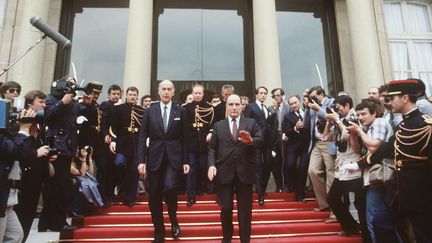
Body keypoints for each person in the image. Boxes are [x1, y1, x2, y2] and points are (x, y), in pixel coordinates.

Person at [360, 79, 432, 242]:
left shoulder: (425, 126)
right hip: (398, 191)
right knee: (380, 223)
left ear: (405, 98)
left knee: (423, 234)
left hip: (420, 192)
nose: (388, 103)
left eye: (392, 99)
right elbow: (386, 148)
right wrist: (360, 164)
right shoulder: (403, 125)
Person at [135, 80, 190, 242]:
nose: (166, 92)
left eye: (169, 89)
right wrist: (141, 160)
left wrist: (186, 161)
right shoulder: (150, 111)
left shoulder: (180, 111)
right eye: (163, 89)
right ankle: (159, 231)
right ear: (158, 91)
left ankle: (173, 219)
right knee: (154, 196)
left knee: (171, 188)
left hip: (174, 159)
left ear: (173, 92)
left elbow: (186, 138)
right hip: (154, 158)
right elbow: (142, 137)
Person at [208, 94, 263, 243]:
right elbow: (212, 148)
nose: (234, 107)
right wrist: (211, 165)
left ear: (242, 106)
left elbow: (260, 140)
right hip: (224, 173)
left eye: (237, 104)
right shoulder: (218, 126)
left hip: (245, 172)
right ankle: (227, 238)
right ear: (226, 106)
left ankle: (245, 240)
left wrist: (251, 141)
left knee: (245, 211)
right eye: (231, 104)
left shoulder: (251, 123)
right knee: (225, 208)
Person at [343, 98, 396, 243]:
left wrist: (359, 130)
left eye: (363, 114)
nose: (360, 117)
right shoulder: (368, 128)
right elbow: (356, 150)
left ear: (374, 114)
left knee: (373, 219)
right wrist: (353, 133)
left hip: (380, 176)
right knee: (377, 219)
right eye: (358, 114)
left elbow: (374, 147)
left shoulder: (379, 122)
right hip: (372, 176)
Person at [324, 95, 370, 242]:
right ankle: (351, 226)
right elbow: (326, 138)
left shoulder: (355, 118)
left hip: (354, 166)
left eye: (339, 107)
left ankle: (365, 233)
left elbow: (350, 140)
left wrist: (337, 120)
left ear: (347, 105)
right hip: (342, 166)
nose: (337, 110)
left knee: (359, 202)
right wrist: (329, 122)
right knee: (332, 198)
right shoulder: (340, 120)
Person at [14, 90, 56, 242]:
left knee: (28, 217)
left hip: (37, 178)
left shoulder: (41, 123)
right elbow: (18, 150)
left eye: (45, 102)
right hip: (22, 180)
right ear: (30, 104)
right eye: (41, 102)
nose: (44, 105)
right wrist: (35, 154)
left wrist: (48, 154)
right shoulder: (21, 121)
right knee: (18, 221)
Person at [38, 78, 79, 232]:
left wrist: (75, 147)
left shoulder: (74, 103)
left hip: (67, 149)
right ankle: (57, 222)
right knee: (58, 187)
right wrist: (62, 103)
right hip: (56, 149)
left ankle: (45, 223)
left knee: (59, 187)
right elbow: (46, 116)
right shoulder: (52, 100)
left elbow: (73, 127)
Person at [0, 107, 38, 242]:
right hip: (2, 195)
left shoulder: (6, 133)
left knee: (15, 235)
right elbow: (18, 152)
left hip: (8, 195)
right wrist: (23, 129)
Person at [109, 86, 144, 206]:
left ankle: (130, 198)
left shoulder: (141, 110)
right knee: (118, 163)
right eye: (130, 94)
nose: (132, 97)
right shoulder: (118, 109)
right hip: (122, 143)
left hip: (136, 143)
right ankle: (121, 185)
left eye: (135, 95)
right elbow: (113, 127)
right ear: (126, 96)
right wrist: (113, 140)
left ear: (137, 96)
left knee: (134, 171)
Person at [184, 84, 215, 206]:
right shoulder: (186, 108)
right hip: (191, 142)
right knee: (191, 169)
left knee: (203, 166)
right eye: (195, 93)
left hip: (204, 142)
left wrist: (211, 133)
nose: (197, 95)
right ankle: (190, 196)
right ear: (192, 93)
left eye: (199, 93)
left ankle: (202, 189)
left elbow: (213, 123)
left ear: (203, 94)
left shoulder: (209, 107)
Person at [306, 86, 335, 211]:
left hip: (329, 141)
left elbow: (333, 119)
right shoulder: (312, 105)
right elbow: (306, 124)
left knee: (331, 173)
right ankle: (324, 204)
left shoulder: (332, 102)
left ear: (321, 94)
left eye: (314, 96)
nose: (313, 99)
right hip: (317, 142)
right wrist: (307, 108)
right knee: (312, 170)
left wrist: (319, 109)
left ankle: (334, 207)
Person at [244, 86, 271, 205]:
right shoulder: (251, 107)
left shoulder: (266, 108)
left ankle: (262, 190)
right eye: (261, 93)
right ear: (256, 95)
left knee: (268, 165)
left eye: (265, 93)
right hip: (255, 141)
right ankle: (260, 195)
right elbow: (247, 123)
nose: (263, 95)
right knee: (258, 167)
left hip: (267, 142)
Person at [282, 95, 310, 202]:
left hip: (305, 146)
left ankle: (300, 194)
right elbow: (286, 131)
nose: (294, 105)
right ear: (289, 105)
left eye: (295, 102)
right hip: (292, 146)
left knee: (303, 168)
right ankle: (294, 185)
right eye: (291, 104)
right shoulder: (287, 116)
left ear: (300, 102)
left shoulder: (307, 113)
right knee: (290, 165)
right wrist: (295, 128)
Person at [99, 84, 121, 203]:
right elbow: (103, 123)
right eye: (114, 94)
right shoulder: (105, 105)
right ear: (109, 95)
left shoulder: (120, 106)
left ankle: (110, 194)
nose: (116, 96)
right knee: (105, 169)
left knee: (113, 169)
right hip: (106, 143)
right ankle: (103, 196)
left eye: (118, 94)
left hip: (117, 142)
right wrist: (105, 135)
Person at [265, 88, 289, 193]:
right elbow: (268, 122)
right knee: (275, 162)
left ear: (283, 96)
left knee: (286, 161)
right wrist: (273, 111)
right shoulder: (270, 108)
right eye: (274, 96)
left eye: (278, 95)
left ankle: (287, 185)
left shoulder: (288, 108)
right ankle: (279, 186)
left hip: (286, 137)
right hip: (274, 138)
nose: (276, 97)